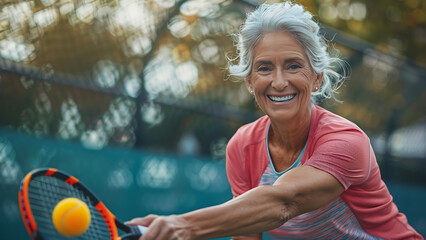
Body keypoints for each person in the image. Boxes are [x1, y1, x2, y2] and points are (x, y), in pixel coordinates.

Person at [127, 2, 423, 239]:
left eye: (293, 66)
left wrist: (183, 226)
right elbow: (246, 232)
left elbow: (284, 202)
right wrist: (173, 227)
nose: (279, 82)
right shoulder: (242, 146)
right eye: (265, 68)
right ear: (249, 81)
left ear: (317, 77)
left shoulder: (347, 141)